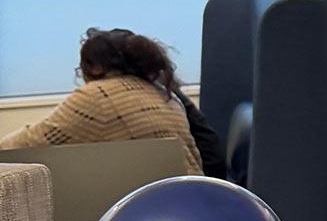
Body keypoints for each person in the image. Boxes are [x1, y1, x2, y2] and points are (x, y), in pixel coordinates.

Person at [1, 28, 207, 176]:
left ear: (96, 68)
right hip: (192, 199)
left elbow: (31, 142)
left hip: (157, 208)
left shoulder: (99, 96)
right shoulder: (161, 92)